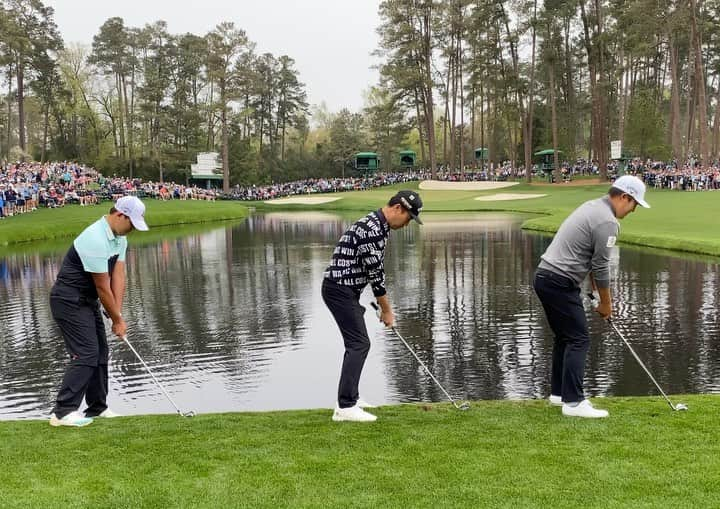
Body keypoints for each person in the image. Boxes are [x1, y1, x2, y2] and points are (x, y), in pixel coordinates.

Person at [533, 175, 650, 418]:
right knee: (579, 339)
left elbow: (593, 263)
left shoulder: (592, 206)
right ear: (624, 197)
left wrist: (597, 294)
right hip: (559, 281)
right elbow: (600, 266)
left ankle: (559, 395)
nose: (633, 210)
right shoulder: (608, 222)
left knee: (565, 338)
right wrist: (606, 303)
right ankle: (574, 403)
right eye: (634, 204)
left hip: (545, 277)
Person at [322, 190, 423, 422]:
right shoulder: (372, 230)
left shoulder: (379, 226)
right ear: (398, 208)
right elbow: (376, 276)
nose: (408, 224)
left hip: (346, 290)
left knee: (358, 343)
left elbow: (370, 272)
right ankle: (345, 407)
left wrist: (381, 305)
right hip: (339, 290)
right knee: (359, 344)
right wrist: (387, 310)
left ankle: (351, 399)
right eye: (409, 218)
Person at [49, 196, 149, 427]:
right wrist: (115, 318)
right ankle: (62, 412)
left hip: (87, 301)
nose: (132, 229)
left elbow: (118, 276)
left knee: (100, 352)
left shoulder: (119, 238)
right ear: (119, 215)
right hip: (68, 299)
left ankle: (97, 407)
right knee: (86, 353)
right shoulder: (95, 238)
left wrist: (118, 315)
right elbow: (102, 287)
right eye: (131, 223)